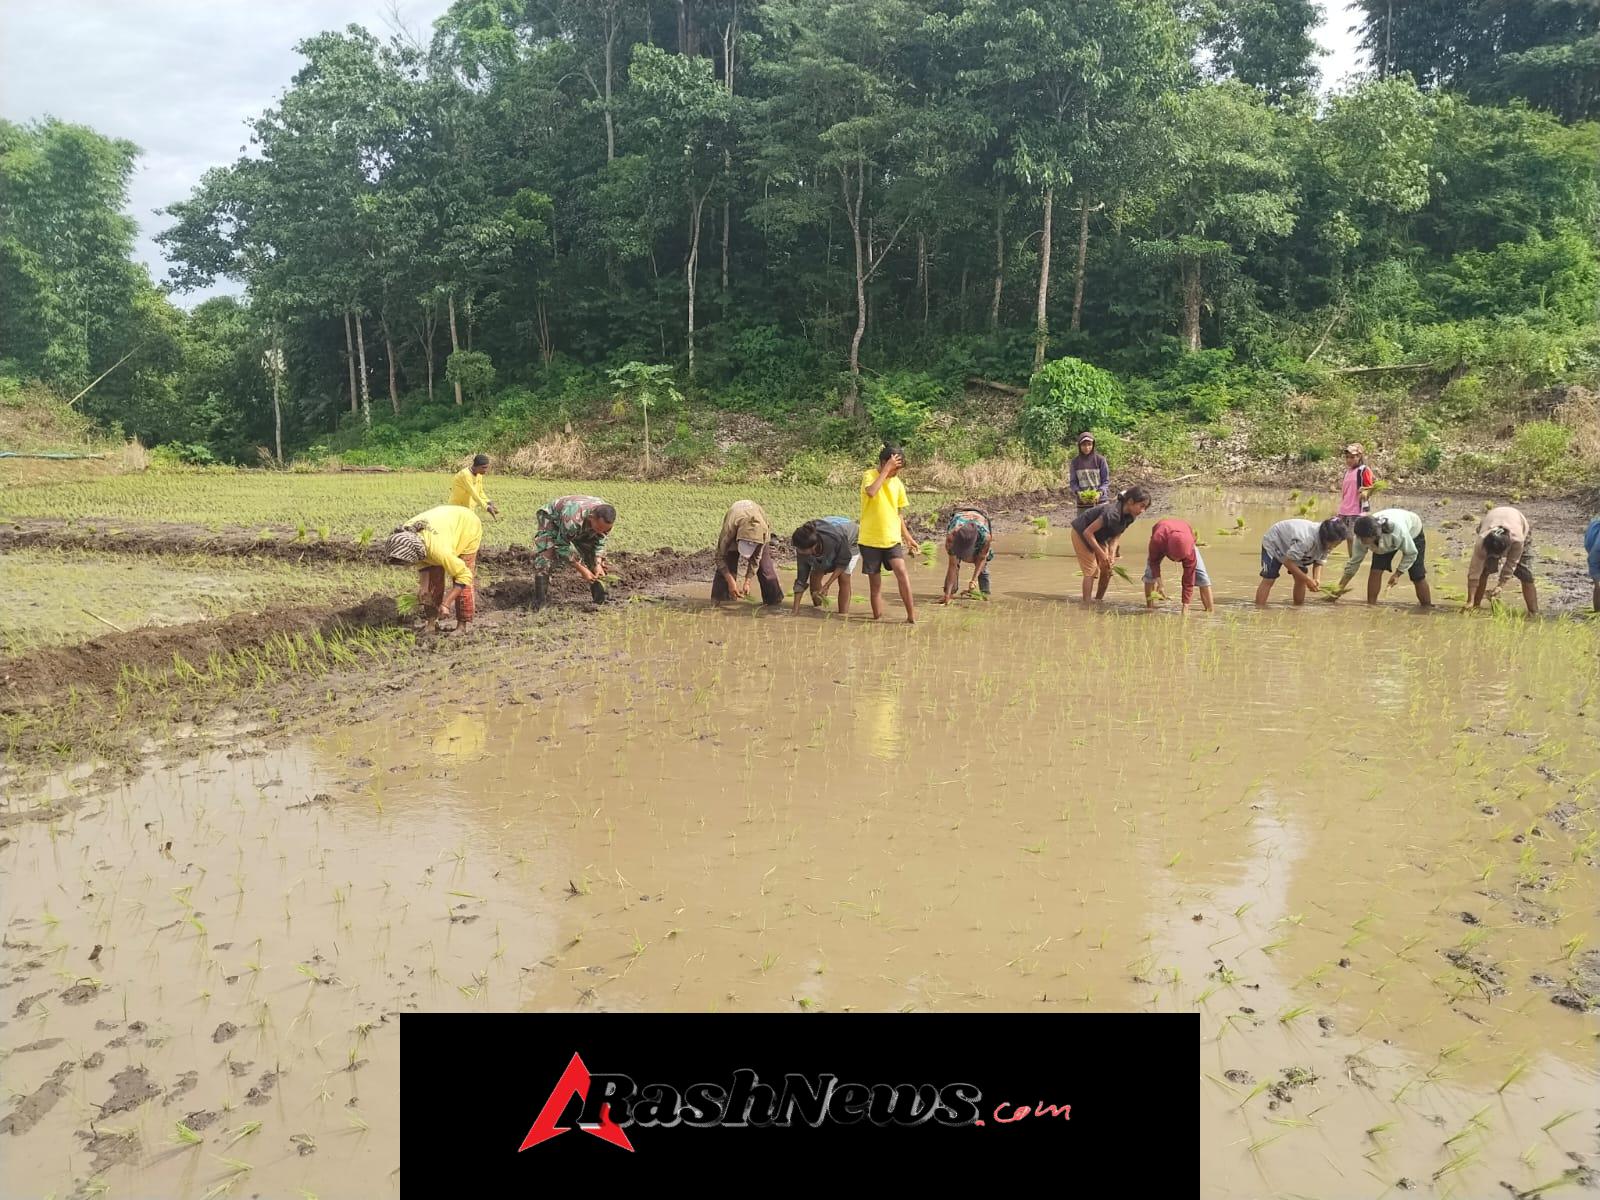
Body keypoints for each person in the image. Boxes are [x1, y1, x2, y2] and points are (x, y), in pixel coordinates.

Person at [385, 504, 482, 632]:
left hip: (467, 526)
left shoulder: (439, 550)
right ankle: (431, 622)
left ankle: (461, 625)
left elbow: (464, 576)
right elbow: (422, 561)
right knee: (431, 584)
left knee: (461, 582)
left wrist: (446, 603)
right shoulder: (406, 534)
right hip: (444, 527)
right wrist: (423, 587)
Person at [859, 444, 920, 623]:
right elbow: (871, 492)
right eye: (894, 468)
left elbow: (898, 514)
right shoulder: (869, 475)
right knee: (875, 585)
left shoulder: (898, 484)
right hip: (870, 539)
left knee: (902, 572)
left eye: (897, 469)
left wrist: (908, 538)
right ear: (884, 463)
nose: (895, 473)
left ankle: (911, 617)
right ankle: (877, 618)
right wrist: (886, 470)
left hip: (892, 538)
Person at [1333, 508, 1432, 608]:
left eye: (1364, 539)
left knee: (1417, 575)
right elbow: (1353, 564)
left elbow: (1411, 553)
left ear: (1374, 535)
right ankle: (1371, 606)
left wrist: (1398, 573)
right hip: (1383, 539)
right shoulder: (1360, 538)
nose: (1362, 542)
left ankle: (1427, 607)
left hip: (1413, 531)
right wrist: (1337, 590)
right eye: (1360, 538)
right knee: (1376, 570)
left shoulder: (1397, 532)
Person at [532, 495, 615, 609]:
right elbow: (561, 547)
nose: (601, 532)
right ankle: (540, 603)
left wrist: (598, 563)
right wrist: (582, 570)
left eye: (605, 529)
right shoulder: (572, 519)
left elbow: (599, 541)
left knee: (592, 558)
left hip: (582, 524)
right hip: (552, 519)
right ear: (591, 517)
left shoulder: (605, 521)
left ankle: (601, 600)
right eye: (599, 528)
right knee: (546, 556)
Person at [1069, 486, 1150, 602]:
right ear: (1131, 502)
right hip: (1081, 532)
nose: (1143, 511)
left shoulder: (1130, 517)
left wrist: (1111, 554)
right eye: (1141, 506)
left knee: (1107, 569)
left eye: (1145, 508)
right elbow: (1088, 532)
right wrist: (1101, 553)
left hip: (1099, 536)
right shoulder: (1111, 513)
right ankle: (1086, 604)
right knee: (1091, 570)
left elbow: (1116, 536)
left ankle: (1098, 600)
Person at [1255, 517, 1345, 607]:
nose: (1334, 547)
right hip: (1275, 542)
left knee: (1300, 579)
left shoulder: (1328, 543)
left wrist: (1316, 579)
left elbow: (1319, 561)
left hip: (1294, 547)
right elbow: (1288, 562)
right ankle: (1259, 610)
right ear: (1325, 538)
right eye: (1334, 544)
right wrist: (1308, 580)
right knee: (1269, 578)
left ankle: (1297, 609)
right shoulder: (1306, 539)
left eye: (1338, 544)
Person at [712, 499, 784, 606]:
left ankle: (774, 602)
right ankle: (722, 601)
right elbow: (719, 557)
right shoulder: (730, 529)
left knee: (765, 568)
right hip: (736, 523)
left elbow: (756, 560)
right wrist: (731, 582)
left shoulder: (763, 533)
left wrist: (747, 581)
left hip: (760, 531)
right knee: (728, 564)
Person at [1467, 506, 1536, 613]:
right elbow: (1474, 570)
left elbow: (1512, 563)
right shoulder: (1482, 541)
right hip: (1491, 520)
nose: (1496, 558)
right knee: (1483, 571)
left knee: (1525, 573)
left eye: (1497, 555)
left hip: (1518, 523)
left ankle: (1534, 612)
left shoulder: (1518, 540)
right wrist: (1469, 601)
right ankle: (1475, 605)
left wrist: (1501, 585)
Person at [1144, 518, 1214, 615]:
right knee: (1149, 574)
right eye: (1174, 558)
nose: (1177, 561)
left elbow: (1188, 579)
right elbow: (1154, 562)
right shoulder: (1158, 540)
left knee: (1202, 576)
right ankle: (1150, 609)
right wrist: (1160, 583)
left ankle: (1210, 612)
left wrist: (1186, 605)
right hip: (1163, 532)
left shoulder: (1190, 551)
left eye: (1180, 559)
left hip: (1186, 535)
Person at [791, 517, 859, 615]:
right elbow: (801, 580)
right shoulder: (803, 546)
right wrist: (795, 610)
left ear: (814, 546)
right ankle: (817, 609)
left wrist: (827, 585)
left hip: (850, 539)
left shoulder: (833, 539)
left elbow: (843, 562)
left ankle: (843, 615)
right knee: (815, 575)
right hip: (830, 528)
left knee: (844, 577)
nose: (800, 552)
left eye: (803, 550)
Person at [940, 506, 994, 603]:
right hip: (961, 517)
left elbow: (982, 558)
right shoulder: (951, 537)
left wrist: (973, 581)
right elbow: (952, 566)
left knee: (983, 567)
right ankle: (949, 593)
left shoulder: (985, 537)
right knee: (955, 564)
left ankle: (985, 594)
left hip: (979, 519)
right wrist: (947, 595)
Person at [1335, 443, 1373, 553]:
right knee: (1339, 535)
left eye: (1352, 457)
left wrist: (1366, 492)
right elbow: (1345, 492)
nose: (1349, 460)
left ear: (1359, 456)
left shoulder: (1363, 470)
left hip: (1357, 510)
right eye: (1347, 457)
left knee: (1352, 537)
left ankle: (1354, 559)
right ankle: (1350, 558)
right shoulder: (1347, 472)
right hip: (1344, 509)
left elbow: (1370, 487)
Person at [449, 453, 498, 518]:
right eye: (483, 467)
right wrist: (486, 507)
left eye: (486, 468)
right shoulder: (465, 474)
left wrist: (488, 501)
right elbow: (473, 493)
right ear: (476, 466)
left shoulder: (479, 474)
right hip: (456, 507)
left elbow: (480, 492)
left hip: (468, 508)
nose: (485, 470)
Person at [1069, 433, 1110, 509]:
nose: (1087, 447)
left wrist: (1099, 493)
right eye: (1084, 445)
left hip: (1100, 502)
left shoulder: (1100, 460)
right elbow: (1073, 482)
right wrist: (1079, 493)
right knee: (1083, 521)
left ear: (1093, 445)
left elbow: (1106, 481)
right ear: (1079, 446)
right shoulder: (1075, 462)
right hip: (1083, 503)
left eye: (1089, 444)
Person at [1586, 516, 1600, 613]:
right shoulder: (1597, 549)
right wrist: (1597, 581)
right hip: (1594, 553)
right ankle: (1597, 612)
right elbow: (1592, 560)